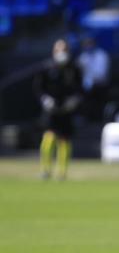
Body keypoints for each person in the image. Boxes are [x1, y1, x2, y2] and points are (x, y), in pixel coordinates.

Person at [33, 38, 82, 180]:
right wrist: (45, 99)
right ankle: (45, 170)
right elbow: (38, 88)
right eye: (59, 50)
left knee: (64, 140)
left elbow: (80, 89)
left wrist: (74, 100)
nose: (62, 52)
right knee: (49, 137)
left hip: (66, 109)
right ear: (54, 51)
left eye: (64, 49)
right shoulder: (47, 67)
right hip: (51, 109)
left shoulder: (74, 68)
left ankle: (62, 172)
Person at [76, 36, 110, 121]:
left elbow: (101, 74)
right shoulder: (83, 56)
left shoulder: (102, 55)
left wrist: (88, 71)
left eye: (89, 44)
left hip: (100, 85)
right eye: (85, 45)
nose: (87, 47)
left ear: (94, 44)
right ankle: (86, 117)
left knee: (96, 96)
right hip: (86, 86)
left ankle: (98, 118)